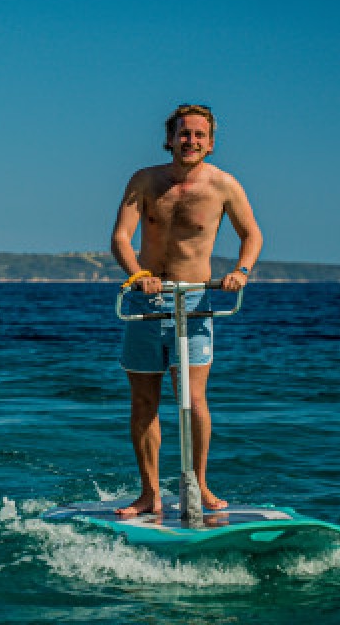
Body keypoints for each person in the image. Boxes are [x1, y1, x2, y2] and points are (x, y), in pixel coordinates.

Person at [110, 103, 263, 515]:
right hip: (146, 300)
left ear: (210, 143)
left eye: (199, 135)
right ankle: (150, 494)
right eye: (183, 133)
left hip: (196, 300)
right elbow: (121, 238)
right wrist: (138, 273)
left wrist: (241, 272)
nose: (190, 140)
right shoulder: (144, 181)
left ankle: (200, 485)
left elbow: (252, 234)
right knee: (144, 402)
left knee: (194, 400)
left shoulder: (224, 185)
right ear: (170, 138)